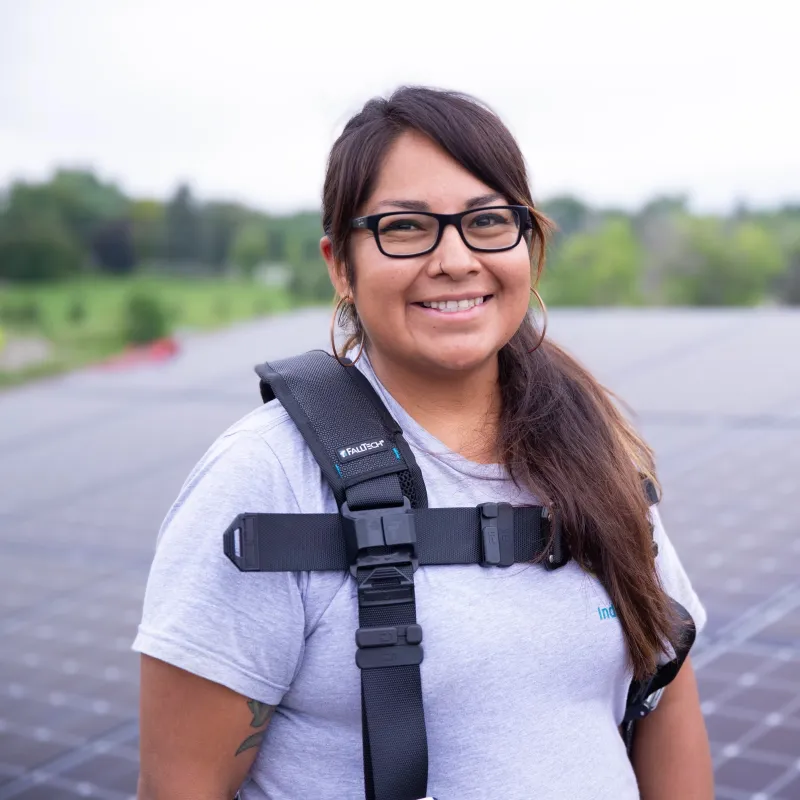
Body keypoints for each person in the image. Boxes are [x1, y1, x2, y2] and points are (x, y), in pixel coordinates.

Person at [133, 86, 713, 800]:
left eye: (488, 221)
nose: (455, 258)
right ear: (339, 264)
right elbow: (179, 786)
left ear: (528, 246)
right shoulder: (267, 476)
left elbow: (666, 693)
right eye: (406, 228)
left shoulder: (594, 446)